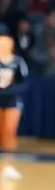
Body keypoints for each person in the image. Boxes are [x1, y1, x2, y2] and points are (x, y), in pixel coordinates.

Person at [0, 29, 29, 181]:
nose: (3, 45)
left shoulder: (18, 61)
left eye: (6, 43)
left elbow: (24, 84)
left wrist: (7, 91)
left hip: (12, 100)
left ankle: (9, 165)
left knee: (9, 132)